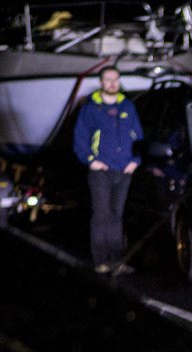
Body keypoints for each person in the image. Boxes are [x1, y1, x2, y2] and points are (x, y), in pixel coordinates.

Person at [73, 67, 143, 274]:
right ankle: (101, 262)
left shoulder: (128, 106)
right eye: (108, 79)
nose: (112, 83)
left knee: (116, 215)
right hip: (101, 170)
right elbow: (80, 137)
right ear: (101, 83)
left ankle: (117, 261)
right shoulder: (92, 107)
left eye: (115, 79)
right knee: (101, 215)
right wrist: (90, 160)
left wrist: (135, 160)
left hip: (124, 170)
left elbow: (138, 136)